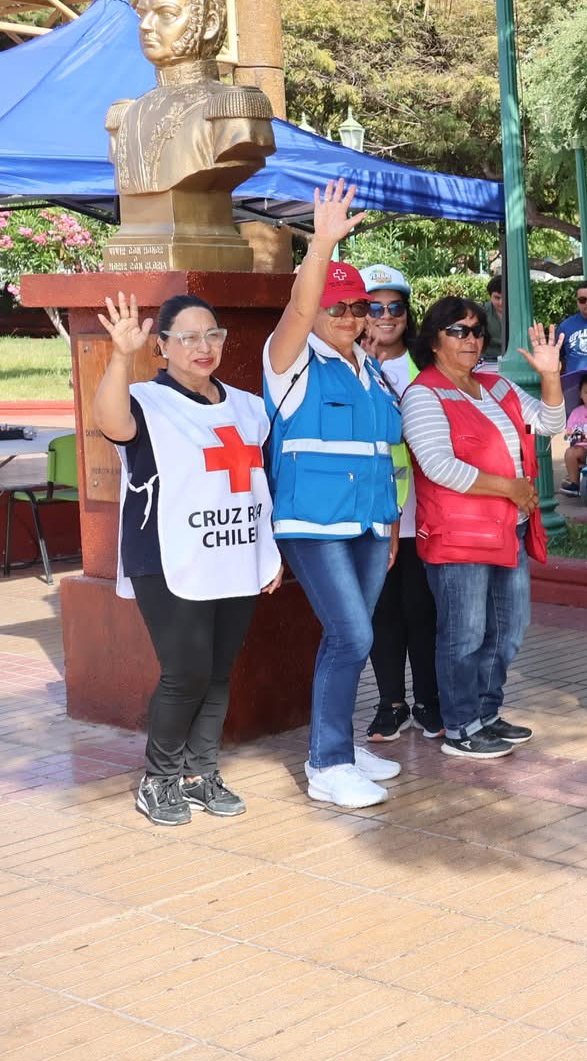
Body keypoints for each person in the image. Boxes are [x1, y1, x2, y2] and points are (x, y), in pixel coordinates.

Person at [95, 292, 281, 825]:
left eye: (213, 335)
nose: (204, 347)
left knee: (218, 672)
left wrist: (267, 555)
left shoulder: (246, 407)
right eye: (189, 337)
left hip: (237, 554)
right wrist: (117, 356)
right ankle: (159, 778)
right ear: (163, 347)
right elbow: (112, 423)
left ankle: (201, 773)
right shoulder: (146, 402)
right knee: (185, 672)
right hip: (167, 557)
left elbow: (255, 491)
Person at [262, 181, 406, 810]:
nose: (350, 318)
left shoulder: (370, 369)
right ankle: (327, 763)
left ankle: (340, 741)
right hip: (312, 524)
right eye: (338, 307)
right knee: (352, 636)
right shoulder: (290, 361)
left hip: (371, 525)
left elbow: (381, 457)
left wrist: (392, 523)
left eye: (361, 309)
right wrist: (320, 244)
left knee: (350, 636)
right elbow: (297, 311)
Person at [402, 299, 565, 757]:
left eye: (476, 331)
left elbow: (552, 422)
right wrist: (510, 488)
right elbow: (438, 466)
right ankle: (459, 726)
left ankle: (487, 713)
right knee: (464, 636)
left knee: (509, 629)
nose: (471, 340)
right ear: (433, 341)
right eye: (458, 331)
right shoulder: (423, 394)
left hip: (506, 531)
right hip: (459, 537)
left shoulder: (496, 385)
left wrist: (551, 374)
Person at [357, 265, 440, 743]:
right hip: (370, 513)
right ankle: (391, 703)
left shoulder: (425, 369)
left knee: (423, 612)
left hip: (420, 515)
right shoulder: (341, 366)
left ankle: (429, 701)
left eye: (395, 307)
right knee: (382, 614)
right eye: (373, 307)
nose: (385, 316)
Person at [483, 275, 507, 362]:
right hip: (487, 362)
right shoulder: (482, 313)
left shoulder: (521, 313)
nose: (501, 302)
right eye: (497, 298)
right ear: (490, 297)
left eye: (505, 297)